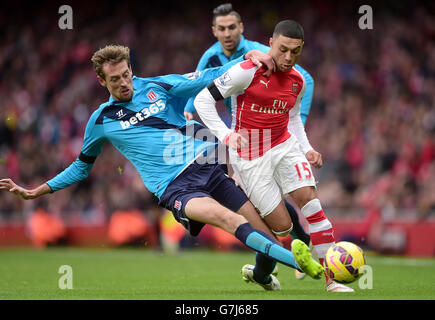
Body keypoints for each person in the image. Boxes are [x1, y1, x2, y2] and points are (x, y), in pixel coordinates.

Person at [0, 45, 324, 291]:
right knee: (228, 219)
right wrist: (37, 190)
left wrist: (247, 59)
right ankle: (310, 267)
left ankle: (262, 274)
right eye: (115, 79)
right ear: (102, 81)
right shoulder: (100, 120)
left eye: (126, 74)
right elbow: (81, 167)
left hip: (209, 166)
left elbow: (207, 78)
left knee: (265, 235)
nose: (124, 82)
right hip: (175, 187)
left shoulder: (157, 85)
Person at [194, 20, 354, 292]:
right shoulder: (246, 72)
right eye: (283, 49)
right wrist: (226, 135)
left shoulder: (298, 81)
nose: (288, 57)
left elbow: (292, 119)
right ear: (270, 43)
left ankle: (333, 280)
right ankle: (260, 271)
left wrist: (307, 149)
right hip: (250, 158)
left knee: (313, 206)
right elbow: (202, 101)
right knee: (282, 228)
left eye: (295, 51)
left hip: (284, 146)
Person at [185, 3, 312, 280]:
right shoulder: (210, 56)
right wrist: (188, 110)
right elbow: (195, 85)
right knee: (260, 202)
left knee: (266, 202)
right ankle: (279, 256)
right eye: (222, 28)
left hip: (272, 133)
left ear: (241, 28)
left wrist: (295, 117)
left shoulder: (264, 49)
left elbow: (306, 79)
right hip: (240, 135)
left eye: (233, 27)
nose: (228, 33)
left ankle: (290, 248)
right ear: (214, 31)